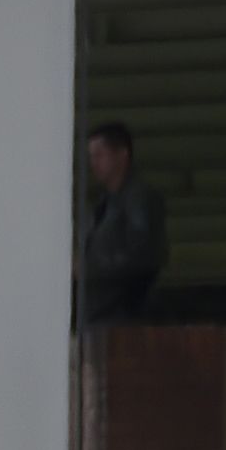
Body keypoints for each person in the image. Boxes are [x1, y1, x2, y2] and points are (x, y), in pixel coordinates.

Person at [81, 121, 167, 324]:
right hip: (100, 314)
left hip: (124, 314)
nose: (94, 163)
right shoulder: (102, 204)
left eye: (100, 155)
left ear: (121, 154)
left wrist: (90, 267)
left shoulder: (140, 197)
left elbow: (143, 253)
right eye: (92, 156)